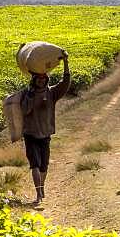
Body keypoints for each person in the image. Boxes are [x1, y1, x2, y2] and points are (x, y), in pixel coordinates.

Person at [20, 51, 71, 205]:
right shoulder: (27, 94)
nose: (41, 81)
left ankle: (41, 187)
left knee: (44, 166)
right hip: (30, 134)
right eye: (39, 78)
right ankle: (38, 192)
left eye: (44, 78)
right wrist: (29, 98)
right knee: (34, 164)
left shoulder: (52, 93)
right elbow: (24, 110)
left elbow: (65, 83)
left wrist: (66, 63)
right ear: (34, 80)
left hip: (45, 134)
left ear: (46, 79)